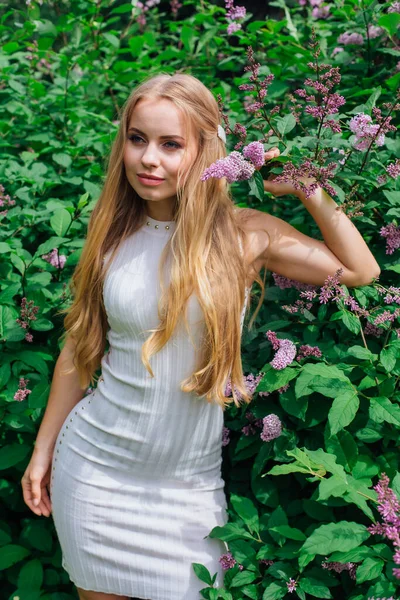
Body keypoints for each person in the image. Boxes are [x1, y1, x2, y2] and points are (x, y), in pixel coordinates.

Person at [21, 72, 380, 600]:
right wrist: (43, 448)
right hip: (96, 476)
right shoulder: (112, 235)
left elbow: (361, 271)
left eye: (171, 145)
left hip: (187, 491)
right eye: (138, 139)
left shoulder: (245, 235)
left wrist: (309, 189)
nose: (149, 159)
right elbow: (79, 349)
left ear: (206, 149)